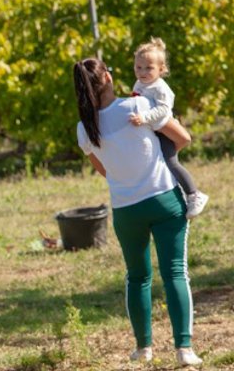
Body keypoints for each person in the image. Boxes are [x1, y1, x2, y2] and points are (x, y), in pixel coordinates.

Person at [74, 58, 203, 366]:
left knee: (137, 277)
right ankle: (184, 350)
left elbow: (103, 170)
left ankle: (144, 348)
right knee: (174, 273)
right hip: (164, 201)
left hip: (125, 211)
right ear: (107, 77)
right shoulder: (138, 106)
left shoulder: (84, 128)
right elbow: (183, 138)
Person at [128, 37, 208, 218]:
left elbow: (164, 109)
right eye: (138, 67)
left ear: (161, 69)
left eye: (149, 68)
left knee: (171, 162)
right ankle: (175, 190)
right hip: (152, 130)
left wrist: (144, 117)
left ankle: (194, 194)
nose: (142, 72)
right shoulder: (139, 84)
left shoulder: (160, 88)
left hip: (165, 132)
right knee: (160, 165)